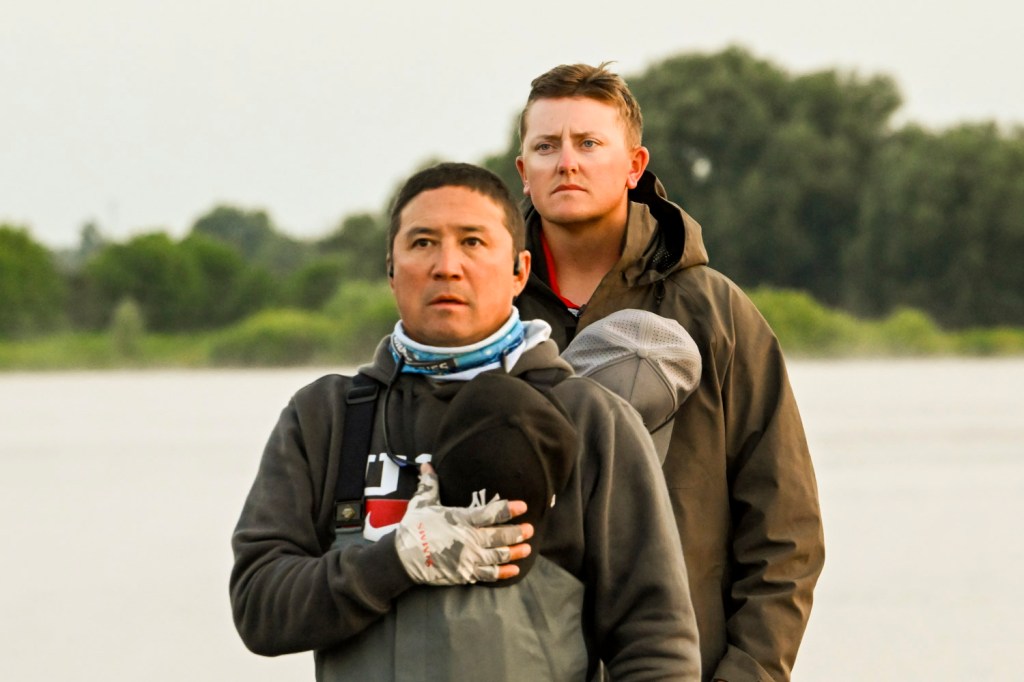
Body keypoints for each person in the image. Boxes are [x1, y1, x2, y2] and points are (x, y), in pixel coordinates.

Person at [229, 162, 701, 680]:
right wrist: (395, 560)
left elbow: (656, 645)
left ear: (519, 270)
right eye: (423, 243)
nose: (447, 266)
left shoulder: (592, 419)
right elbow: (258, 607)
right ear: (391, 269)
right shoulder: (326, 417)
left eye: (473, 242)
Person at [513, 63, 826, 682]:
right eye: (546, 146)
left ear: (634, 165)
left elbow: (785, 531)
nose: (566, 163)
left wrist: (747, 676)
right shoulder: (489, 314)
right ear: (524, 171)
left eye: (589, 143)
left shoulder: (715, 311)